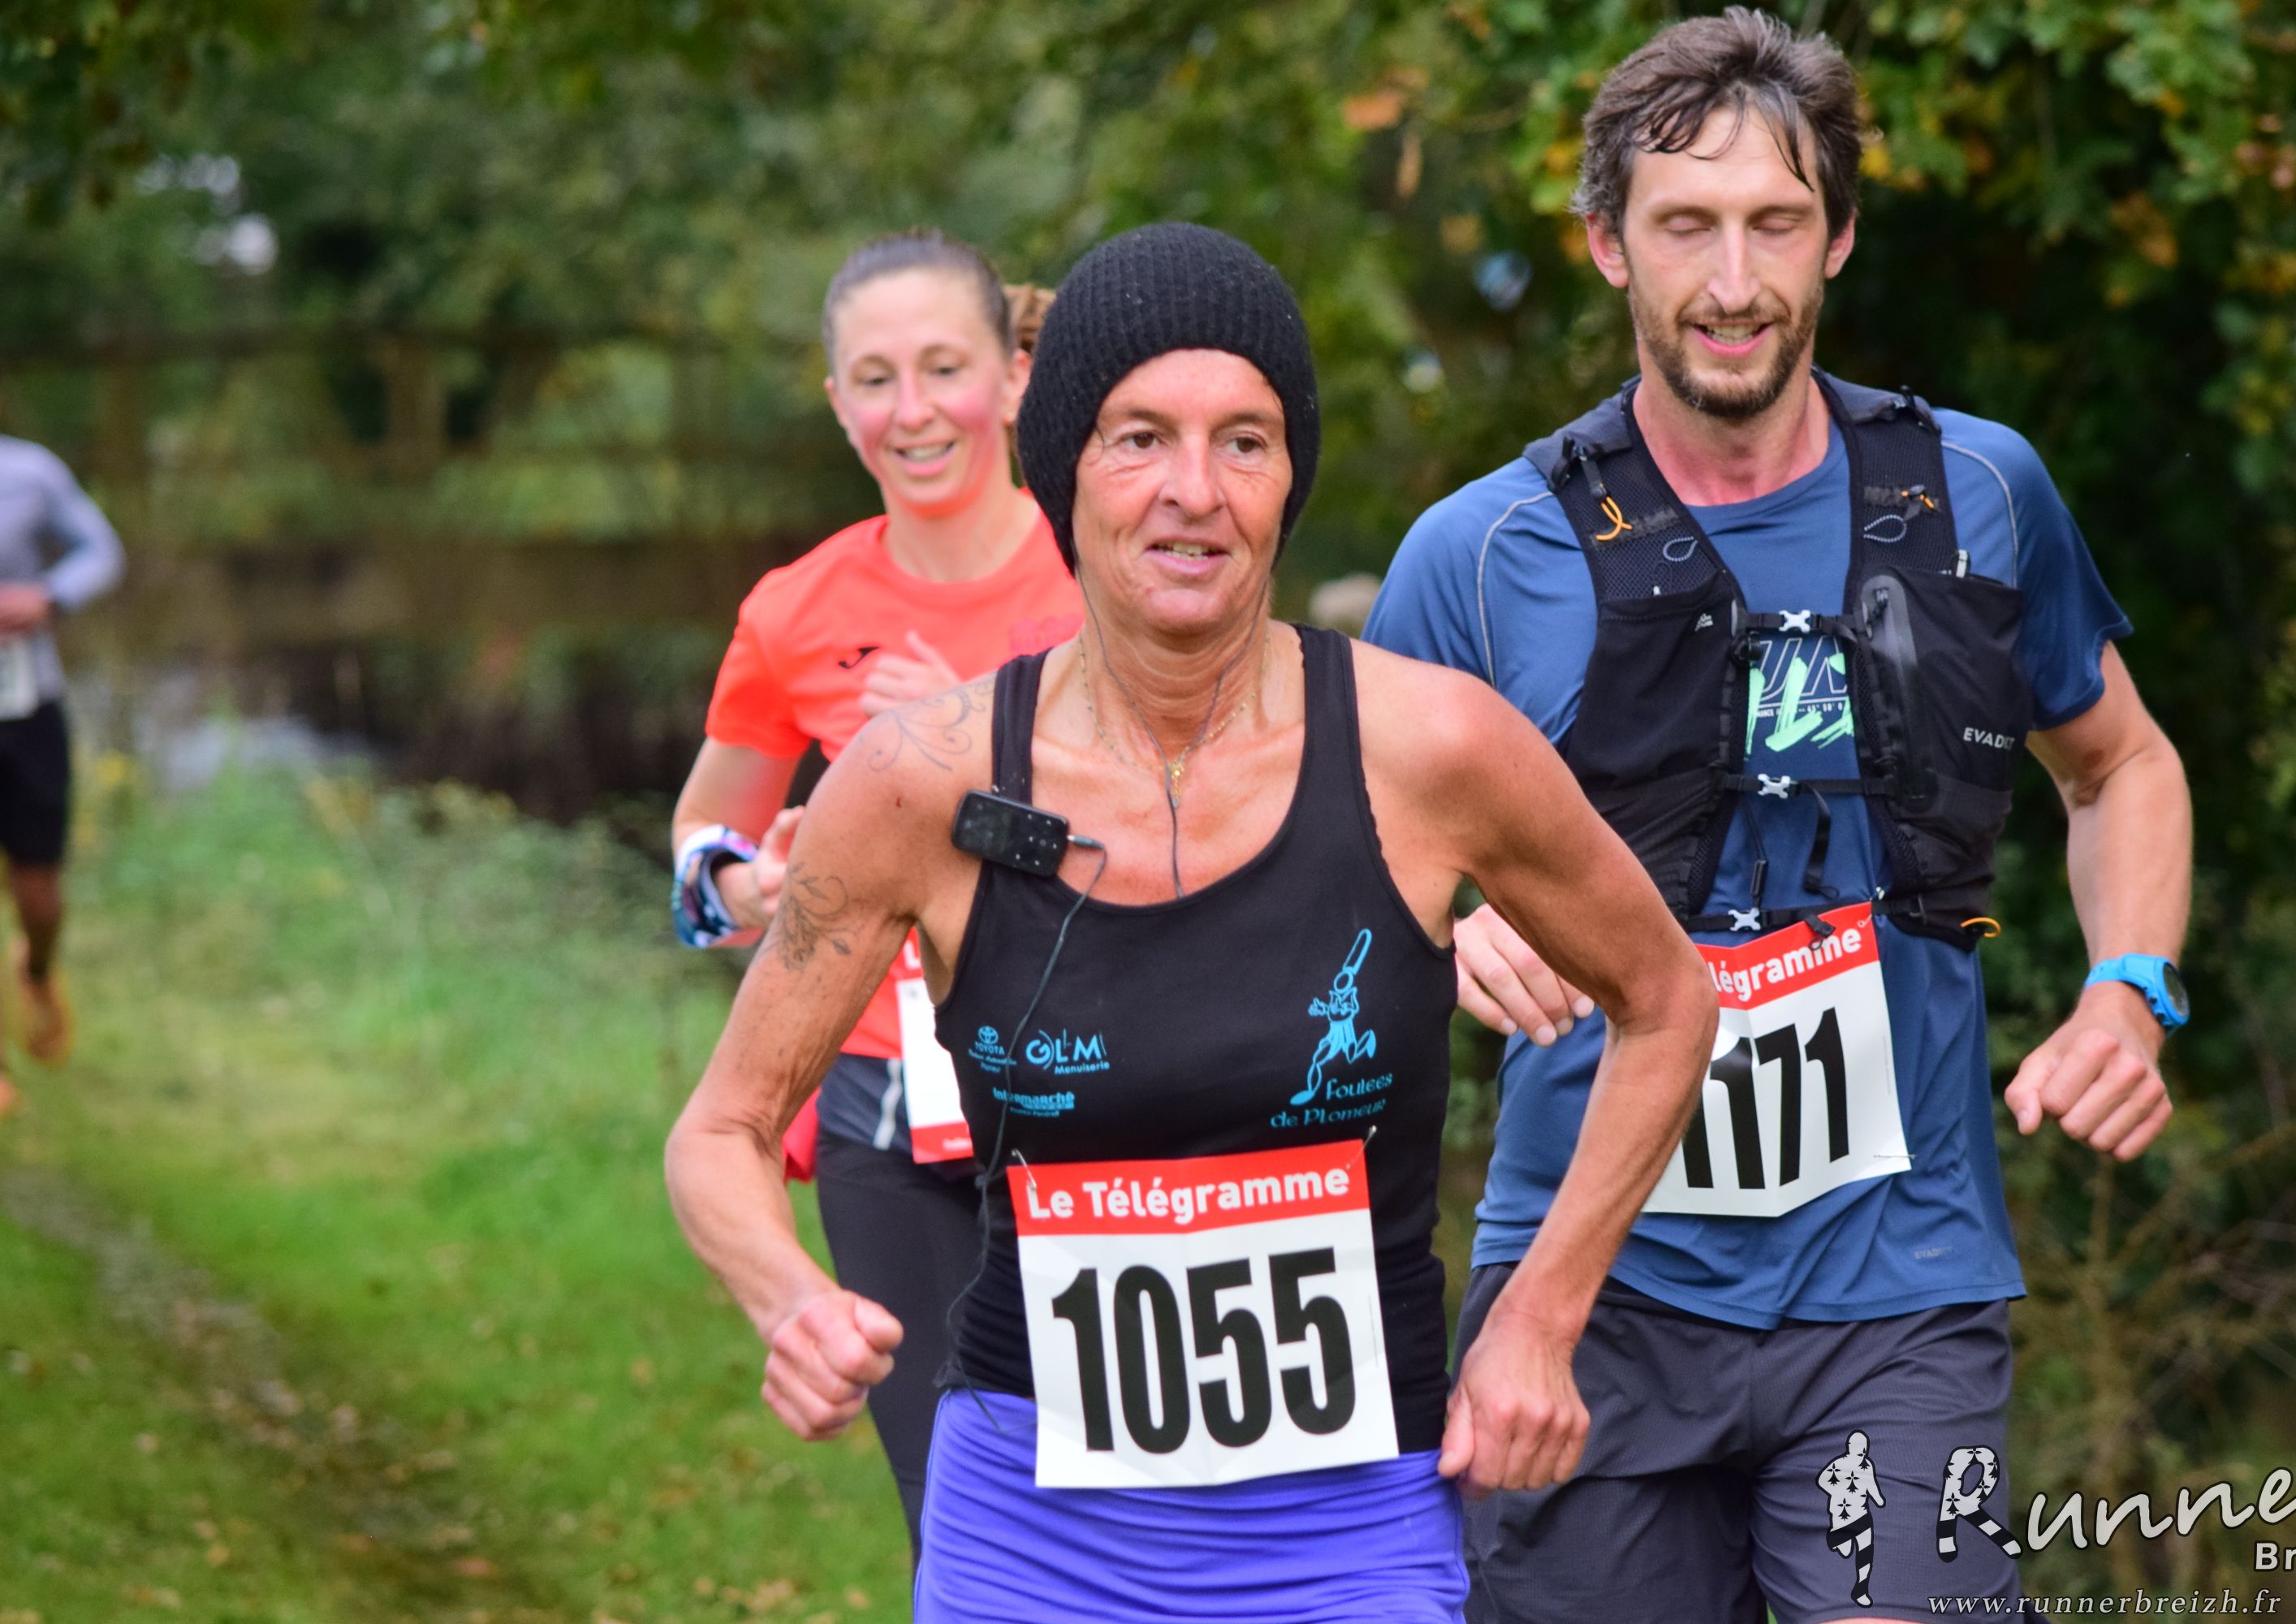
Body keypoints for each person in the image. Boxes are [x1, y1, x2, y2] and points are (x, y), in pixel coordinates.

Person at [663, 222, 1718, 1623]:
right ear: (1063, 471)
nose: (1194, 493)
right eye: (1139, 439)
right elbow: (723, 1129)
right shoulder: (919, 780)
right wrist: (789, 1300)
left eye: (1246, 442)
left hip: (1352, 1526)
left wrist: (1540, 1314)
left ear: (1290, 479)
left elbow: (1669, 998)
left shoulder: (1434, 748)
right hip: (1030, 1528)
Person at [1364, 11, 2195, 1622]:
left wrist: (2128, 987)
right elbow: (1334, 868)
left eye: (1774, 223)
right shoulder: (1479, 553)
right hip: (1587, 1284)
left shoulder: (1978, 493)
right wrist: (1446, 930)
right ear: (1607, 242)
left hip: (1899, 1284)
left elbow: (2118, 767)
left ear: (1838, 236)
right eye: (1685, 225)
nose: (1732, 280)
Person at [667, 231, 1080, 1548]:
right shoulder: (795, 610)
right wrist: (749, 887)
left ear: (1013, 377)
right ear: (837, 401)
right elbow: (699, 849)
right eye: (875, 378)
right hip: (883, 1121)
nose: (913, 411)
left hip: (1095, 1093)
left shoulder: (1113, 566)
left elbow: (1191, 847)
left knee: (1126, 1506)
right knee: (958, 1517)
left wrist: (967, 759)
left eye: (943, 368)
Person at [0, 434, 126, 1119]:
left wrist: (49, 596)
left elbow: (102, 550)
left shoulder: (28, 471)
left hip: (27, 708)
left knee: (38, 896)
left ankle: (38, 968)